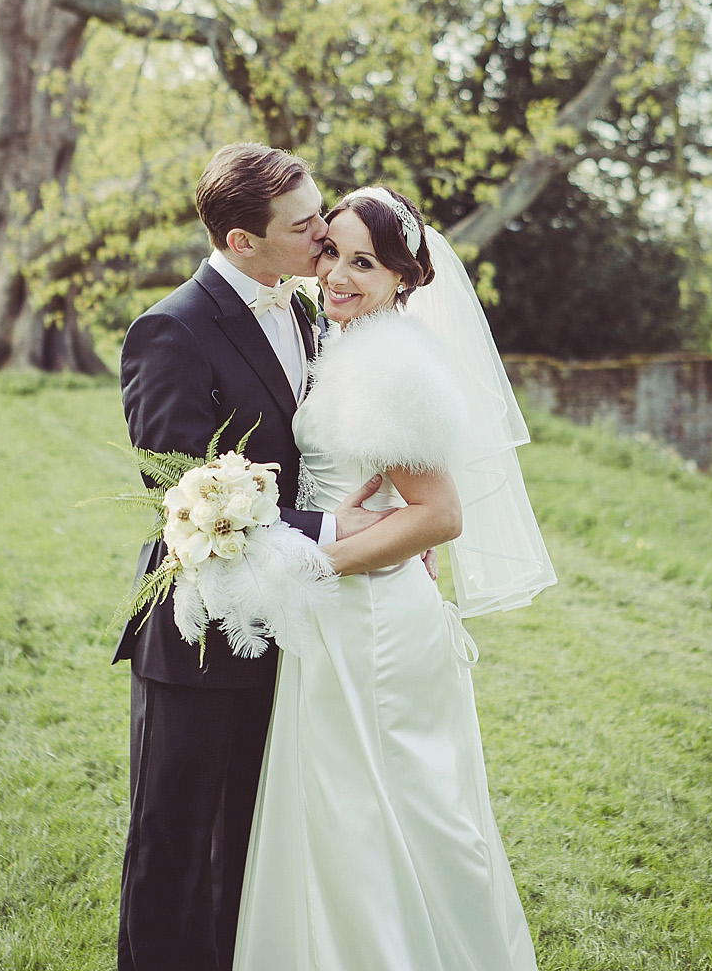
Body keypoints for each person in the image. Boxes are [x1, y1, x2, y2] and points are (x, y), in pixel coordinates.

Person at [233, 186, 557, 971]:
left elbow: (440, 515)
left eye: (364, 264)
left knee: (382, 818)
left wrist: (314, 560)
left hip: (372, 620)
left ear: (404, 280)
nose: (337, 276)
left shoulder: (391, 367)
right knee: (352, 818)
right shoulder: (350, 342)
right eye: (332, 253)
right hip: (348, 612)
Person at [114, 144, 387, 971]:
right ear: (242, 241)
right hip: (200, 629)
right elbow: (189, 489)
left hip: (296, 622)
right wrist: (346, 533)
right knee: (174, 838)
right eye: (305, 226)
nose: (323, 236)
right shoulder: (172, 330)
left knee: (252, 840)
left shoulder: (307, 309)